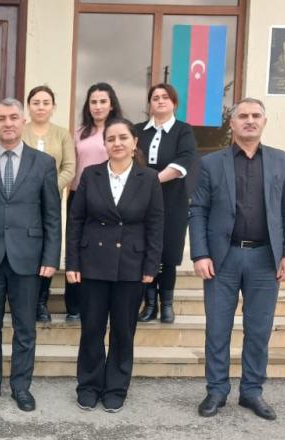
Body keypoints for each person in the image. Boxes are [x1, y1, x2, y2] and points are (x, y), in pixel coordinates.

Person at [189, 97, 285, 421]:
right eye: (243, 116)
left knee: (259, 329)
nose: (249, 120)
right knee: (217, 328)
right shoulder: (211, 163)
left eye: (256, 115)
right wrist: (200, 253)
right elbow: (198, 210)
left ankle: (252, 391)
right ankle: (216, 390)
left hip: (266, 259)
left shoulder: (281, 160)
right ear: (232, 123)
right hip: (222, 259)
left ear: (264, 121)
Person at [0, 99, 61, 412]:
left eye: (14, 117)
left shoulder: (43, 163)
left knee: (25, 328)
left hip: (28, 258)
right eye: (1, 118)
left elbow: (52, 216)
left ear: (23, 121)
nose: (8, 123)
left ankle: (21, 386)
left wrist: (51, 258)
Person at [66, 118, 163, 413]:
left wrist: (151, 266)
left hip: (131, 265)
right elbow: (76, 220)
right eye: (111, 139)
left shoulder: (149, 178)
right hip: (92, 263)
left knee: (123, 330)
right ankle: (89, 385)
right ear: (105, 144)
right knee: (92, 328)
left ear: (135, 142)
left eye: (123, 137)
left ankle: (116, 387)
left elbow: (155, 225)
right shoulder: (91, 175)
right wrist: (72, 262)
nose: (117, 143)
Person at [134, 84, 198, 324]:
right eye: (155, 97)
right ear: (149, 103)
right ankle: (149, 304)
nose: (160, 101)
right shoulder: (138, 130)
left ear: (174, 103)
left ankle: (167, 304)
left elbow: (185, 161)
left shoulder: (183, 130)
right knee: (147, 250)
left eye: (165, 97)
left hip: (172, 200)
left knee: (168, 252)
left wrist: (152, 180)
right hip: (141, 200)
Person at [67, 82, 123, 322]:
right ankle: (74, 304)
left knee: (102, 248)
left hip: (110, 198)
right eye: (93, 102)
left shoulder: (118, 132)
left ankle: (104, 304)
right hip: (79, 195)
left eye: (102, 101)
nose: (98, 106)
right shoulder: (79, 132)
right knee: (78, 246)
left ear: (111, 105)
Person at [22, 85, 76, 323]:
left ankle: (41, 302)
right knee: (26, 246)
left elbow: (69, 168)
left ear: (53, 107)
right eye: (36, 102)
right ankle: (25, 299)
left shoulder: (62, 134)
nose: (40, 107)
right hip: (21, 201)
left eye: (46, 103)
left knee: (48, 246)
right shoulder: (20, 131)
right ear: (29, 106)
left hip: (52, 199)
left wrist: (50, 189)